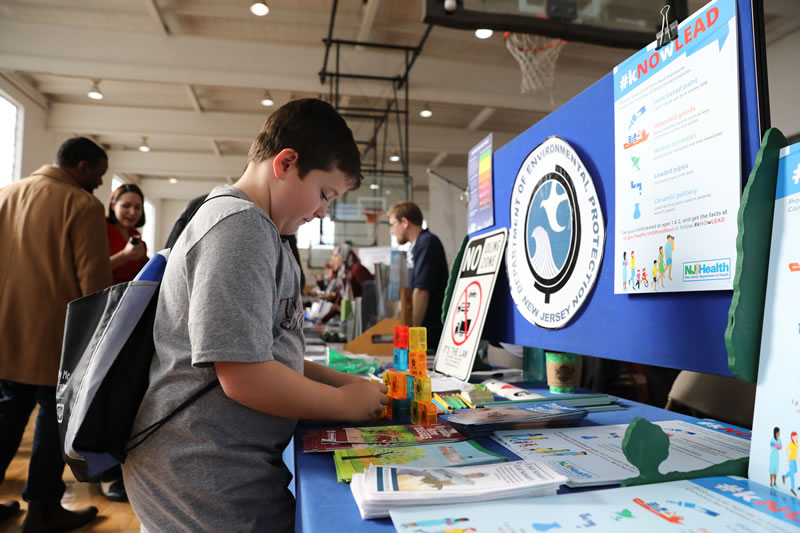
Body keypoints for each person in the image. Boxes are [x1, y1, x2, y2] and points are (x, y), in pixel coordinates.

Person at [121, 98, 388, 533]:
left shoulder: (259, 229)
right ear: (285, 163)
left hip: (224, 464)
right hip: (201, 472)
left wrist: (347, 382)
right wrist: (341, 402)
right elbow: (244, 374)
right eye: (324, 194)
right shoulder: (238, 227)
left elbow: (265, 352)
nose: (322, 211)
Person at [0, 137, 112, 530]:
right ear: (82, 167)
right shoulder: (81, 205)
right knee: (53, 417)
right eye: (98, 174)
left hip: (5, 332)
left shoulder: (6, 194)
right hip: (57, 339)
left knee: (7, 412)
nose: (99, 183)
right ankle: (43, 509)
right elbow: (94, 285)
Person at [387, 202, 449, 348]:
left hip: (430, 332)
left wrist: (411, 333)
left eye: (392, 224)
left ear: (405, 222)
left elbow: (422, 290)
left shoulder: (426, 243)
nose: (392, 231)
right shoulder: (417, 246)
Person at [320, 243, 375, 324]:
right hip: (357, 318)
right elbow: (339, 300)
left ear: (344, 256)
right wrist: (322, 321)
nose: (332, 259)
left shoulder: (357, 269)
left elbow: (372, 293)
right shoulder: (344, 275)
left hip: (367, 318)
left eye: (336, 256)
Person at [107, 183, 149, 285]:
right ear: (113, 205)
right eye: (126, 206)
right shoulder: (101, 230)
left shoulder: (135, 234)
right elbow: (92, 270)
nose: (132, 212)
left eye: (137, 207)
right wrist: (124, 255)